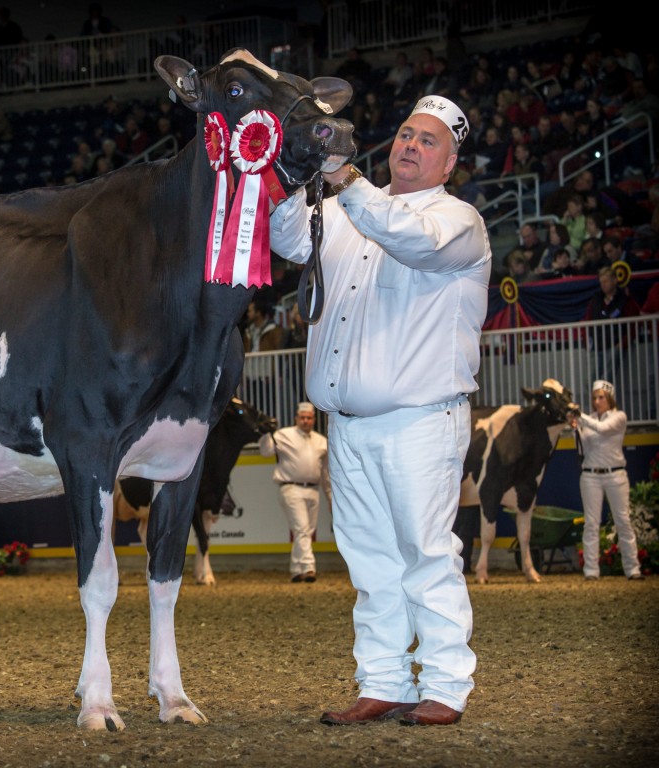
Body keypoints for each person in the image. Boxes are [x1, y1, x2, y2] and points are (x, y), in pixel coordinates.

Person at [269, 94, 490, 727]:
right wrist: (294, 170)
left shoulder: (457, 221)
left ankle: (445, 686)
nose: (411, 145)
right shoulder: (344, 210)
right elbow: (286, 237)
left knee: (426, 553)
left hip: (420, 420)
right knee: (370, 563)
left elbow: (409, 240)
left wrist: (345, 179)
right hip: (348, 426)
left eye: (428, 140)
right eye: (405, 134)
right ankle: (384, 680)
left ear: (449, 163)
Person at [567, 380, 643, 580]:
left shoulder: (619, 417)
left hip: (616, 475)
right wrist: (575, 427)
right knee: (591, 524)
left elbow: (603, 428)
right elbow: (583, 446)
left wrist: (580, 416)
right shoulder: (589, 420)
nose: (597, 401)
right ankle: (591, 570)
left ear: (609, 398)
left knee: (623, 522)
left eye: (601, 397)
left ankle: (633, 569)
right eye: (594, 398)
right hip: (590, 475)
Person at [257, 402, 332, 583]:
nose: (305, 421)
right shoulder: (283, 435)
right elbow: (266, 452)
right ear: (296, 418)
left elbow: (325, 473)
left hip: (313, 489)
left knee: (305, 531)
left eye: (309, 418)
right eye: (302, 417)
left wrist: (330, 497)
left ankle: (296, 569)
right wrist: (265, 434)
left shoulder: (321, 441)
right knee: (302, 529)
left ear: (314, 420)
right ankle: (308, 567)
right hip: (291, 487)